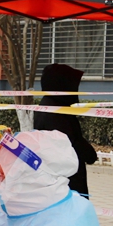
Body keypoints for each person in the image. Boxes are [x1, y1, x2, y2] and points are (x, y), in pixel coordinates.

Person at [34, 64, 97, 197]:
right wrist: (88, 153)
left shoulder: (51, 105)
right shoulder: (55, 111)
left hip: (60, 177)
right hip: (65, 179)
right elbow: (70, 141)